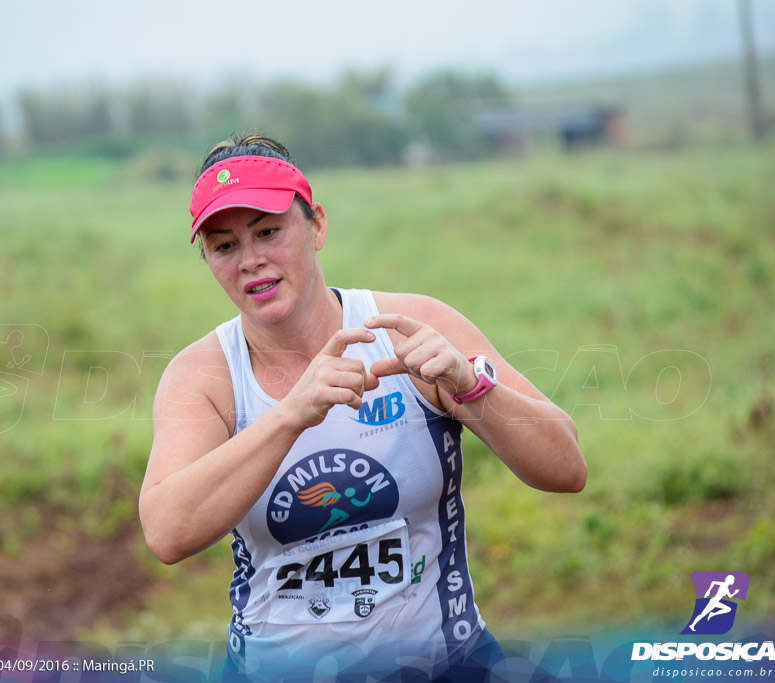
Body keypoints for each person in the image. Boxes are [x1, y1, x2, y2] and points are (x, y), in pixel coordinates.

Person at [139, 133, 587, 682]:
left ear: (317, 225)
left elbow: (566, 467)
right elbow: (166, 533)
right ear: (207, 257)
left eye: (269, 232)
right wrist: (290, 414)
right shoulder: (204, 375)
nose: (251, 261)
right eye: (224, 245)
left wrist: (471, 387)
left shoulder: (411, 329)